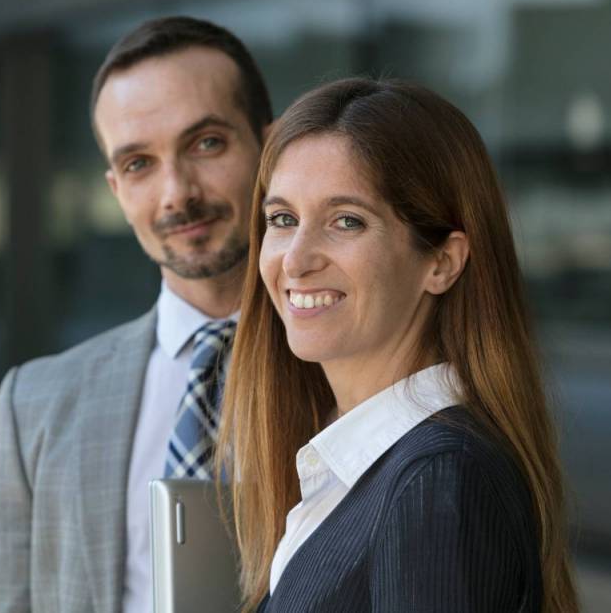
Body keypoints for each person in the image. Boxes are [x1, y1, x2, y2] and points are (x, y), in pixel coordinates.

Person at [216, 78, 578, 612]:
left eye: (346, 221)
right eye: (283, 219)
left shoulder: (437, 483)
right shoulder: (359, 466)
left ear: (442, 262)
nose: (295, 259)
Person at [0, 16, 272, 613]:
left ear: (271, 143)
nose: (176, 193)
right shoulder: (36, 403)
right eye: (139, 164)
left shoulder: (361, 372)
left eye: (206, 143)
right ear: (115, 188)